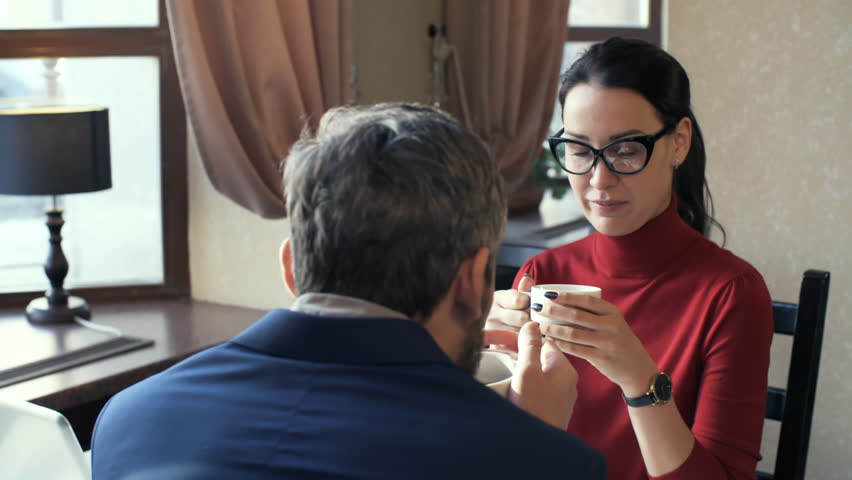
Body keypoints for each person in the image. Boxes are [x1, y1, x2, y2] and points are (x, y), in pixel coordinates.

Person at [91, 103, 606, 479]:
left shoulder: (128, 419)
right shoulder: (545, 462)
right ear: (473, 280)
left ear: (291, 267)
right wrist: (528, 447)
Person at [487, 37, 773, 480]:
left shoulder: (730, 294)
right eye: (580, 150)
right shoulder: (543, 275)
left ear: (678, 142)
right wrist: (471, 343)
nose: (599, 180)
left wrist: (639, 379)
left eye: (625, 150)